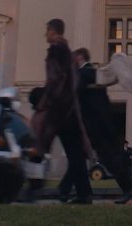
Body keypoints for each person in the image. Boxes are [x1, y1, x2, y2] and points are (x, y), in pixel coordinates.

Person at [59, 47, 132, 205]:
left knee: (107, 158)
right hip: (96, 124)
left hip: (95, 126)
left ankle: (128, 187)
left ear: (80, 57)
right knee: (78, 158)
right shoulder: (91, 74)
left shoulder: (86, 73)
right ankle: (68, 191)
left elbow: (72, 91)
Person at [30, 19, 93, 204]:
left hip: (58, 109)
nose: (45, 35)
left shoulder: (56, 51)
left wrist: (45, 102)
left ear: (53, 31)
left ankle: (33, 189)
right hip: (69, 109)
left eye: (47, 31)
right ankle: (84, 194)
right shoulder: (68, 52)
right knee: (75, 154)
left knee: (40, 146)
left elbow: (55, 81)